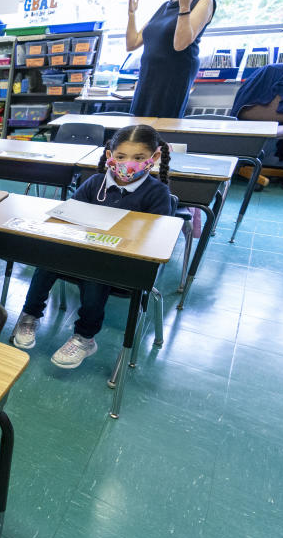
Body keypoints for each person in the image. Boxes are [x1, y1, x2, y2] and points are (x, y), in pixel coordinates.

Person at [10, 125, 173, 369]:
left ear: (154, 158)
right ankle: (29, 315)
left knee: (97, 272)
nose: (128, 164)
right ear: (110, 156)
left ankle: (85, 337)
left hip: (122, 264)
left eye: (138, 158)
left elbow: (155, 241)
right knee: (48, 258)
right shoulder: (95, 183)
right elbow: (69, 215)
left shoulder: (157, 193)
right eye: (121, 157)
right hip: (83, 251)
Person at [126, 0, 216, 118]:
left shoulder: (205, 0)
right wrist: (132, 14)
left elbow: (181, 43)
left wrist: (184, 6)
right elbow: (132, 43)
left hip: (172, 78)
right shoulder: (166, 5)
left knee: (160, 133)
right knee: (137, 131)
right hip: (148, 77)